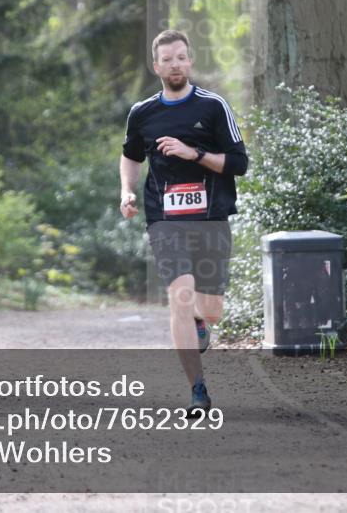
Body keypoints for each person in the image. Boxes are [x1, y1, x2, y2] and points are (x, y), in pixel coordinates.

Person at [119, 30, 248, 413]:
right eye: (167, 59)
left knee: (210, 309)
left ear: (190, 61)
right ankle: (197, 389)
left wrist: (193, 153)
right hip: (165, 219)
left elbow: (239, 163)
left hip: (210, 218)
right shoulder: (142, 113)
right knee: (179, 297)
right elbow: (130, 156)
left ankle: (201, 321)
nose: (175, 64)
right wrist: (126, 191)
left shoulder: (213, 107)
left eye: (181, 57)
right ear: (156, 66)